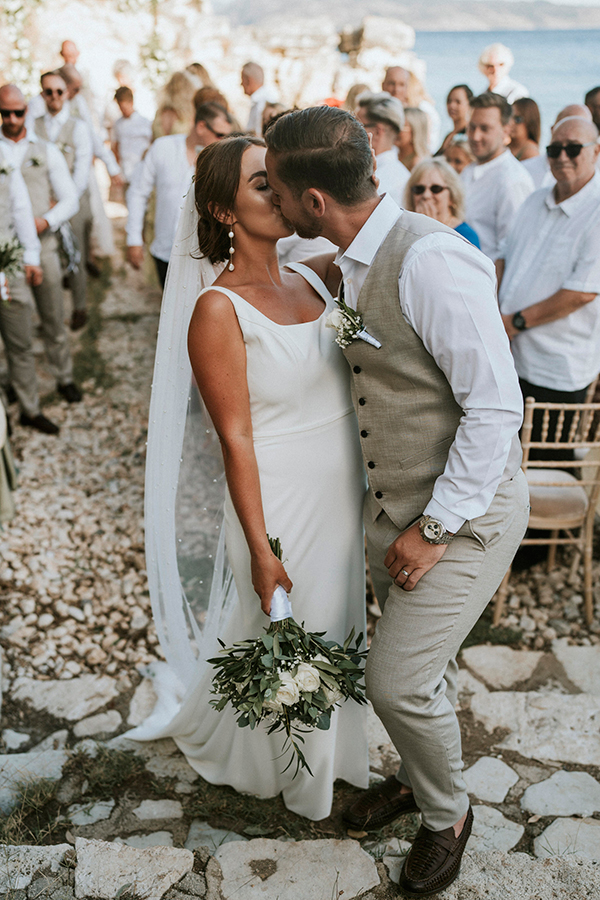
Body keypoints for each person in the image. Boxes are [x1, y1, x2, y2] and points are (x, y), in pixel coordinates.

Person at [264, 106, 527, 897]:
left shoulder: (431, 262)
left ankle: (446, 815)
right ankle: (418, 778)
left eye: (276, 191)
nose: (273, 206)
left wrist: (437, 527)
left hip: (463, 518)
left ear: (314, 201)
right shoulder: (346, 250)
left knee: (398, 681)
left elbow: (495, 409)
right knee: (422, 674)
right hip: (396, 509)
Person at [132, 134, 369, 821]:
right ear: (223, 210)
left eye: (282, 178)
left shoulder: (315, 278)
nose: (279, 190)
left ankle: (342, 759)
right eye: (262, 183)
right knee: (299, 633)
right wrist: (262, 550)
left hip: (342, 494)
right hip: (278, 501)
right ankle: (300, 781)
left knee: (342, 626)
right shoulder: (217, 309)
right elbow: (233, 439)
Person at [498, 116, 600, 444]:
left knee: (549, 468)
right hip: (510, 358)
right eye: (555, 149)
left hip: (555, 368)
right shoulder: (533, 200)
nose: (562, 157)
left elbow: (581, 292)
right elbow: (503, 258)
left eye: (573, 149)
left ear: (596, 151)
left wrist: (511, 323)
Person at [0, 84, 81, 404]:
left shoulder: (47, 150)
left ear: (27, 111)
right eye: (4, 113)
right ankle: (20, 386)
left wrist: (45, 221)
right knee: (14, 326)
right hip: (6, 253)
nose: (11, 118)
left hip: (43, 244)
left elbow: (70, 199)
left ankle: (64, 376)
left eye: (17, 111)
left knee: (53, 316)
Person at [126, 102, 234, 287]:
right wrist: (134, 238)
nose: (223, 141)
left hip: (206, 257)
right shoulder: (163, 148)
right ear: (201, 126)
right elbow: (138, 192)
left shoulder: (223, 163)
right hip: (165, 251)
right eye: (219, 135)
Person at [0, 144, 59, 434]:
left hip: (8, 265)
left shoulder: (4, 156)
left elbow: (20, 207)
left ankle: (29, 409)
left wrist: (32, 257)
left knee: (20, 342)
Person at [34, 70, 93, 330]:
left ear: (66, 93)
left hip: (74, 200)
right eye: (49, 92)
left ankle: (80, 306)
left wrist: (62, 202)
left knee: (75, 256)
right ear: (43, 94)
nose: (55, 96)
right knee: (46, 258)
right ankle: (51, 312)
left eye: (59, 91)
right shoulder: (33, 125)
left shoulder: (78, 127)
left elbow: (81, 172)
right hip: (41, 202)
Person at [463, 92, 533, 260]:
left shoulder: (512, 180)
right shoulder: (468, 170)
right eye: (472, 127)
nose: (475, 136)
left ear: (506, 130)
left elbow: (513, 251)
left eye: (484, 128)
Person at [404, 158, 480, 248]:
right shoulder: (404, 231)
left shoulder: (465, 236)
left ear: (452, 196)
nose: (426, 195)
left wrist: (429, 230)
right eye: (419, 189)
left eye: (436, 189)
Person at [355, 92, 409, 205]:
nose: (352, 131)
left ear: (378, 132)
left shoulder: (384, 180)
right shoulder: (401, 174)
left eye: (358, 126)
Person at [522, 103, 592, 189]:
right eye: (563, 127)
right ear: (553, 130)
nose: (563, 157)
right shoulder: (523, 170)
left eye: (578, 130)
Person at [382, 65, 441, 152]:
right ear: (383, 85)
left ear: (407, 87)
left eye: (401, 84)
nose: (396, 89)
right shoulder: (378, 111)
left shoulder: (421, 112)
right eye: (391, 83)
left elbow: (426, 147)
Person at [111, 86, 152, 186]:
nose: (123, 111)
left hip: (142, 172)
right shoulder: (117, 124)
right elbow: (115, 147)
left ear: (131, 103)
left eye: (124, 107)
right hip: (125, 173)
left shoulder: (145, 123)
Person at [435, 85, 473, 156]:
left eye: (458, 102)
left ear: (469, 105)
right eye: (449, 101)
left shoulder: (468, 135)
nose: (452, 105)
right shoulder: (449, 135)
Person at [241, 62, 277, 137]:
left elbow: (259, 135)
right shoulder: (259, 101)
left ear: (249, 80)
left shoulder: (263, 103)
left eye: (242, 80)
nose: (241, 84)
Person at [395, 107, 429, 172]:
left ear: (415, 131)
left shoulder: (418, 164)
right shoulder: (394, 154)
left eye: (402, 126)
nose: (396, 130)